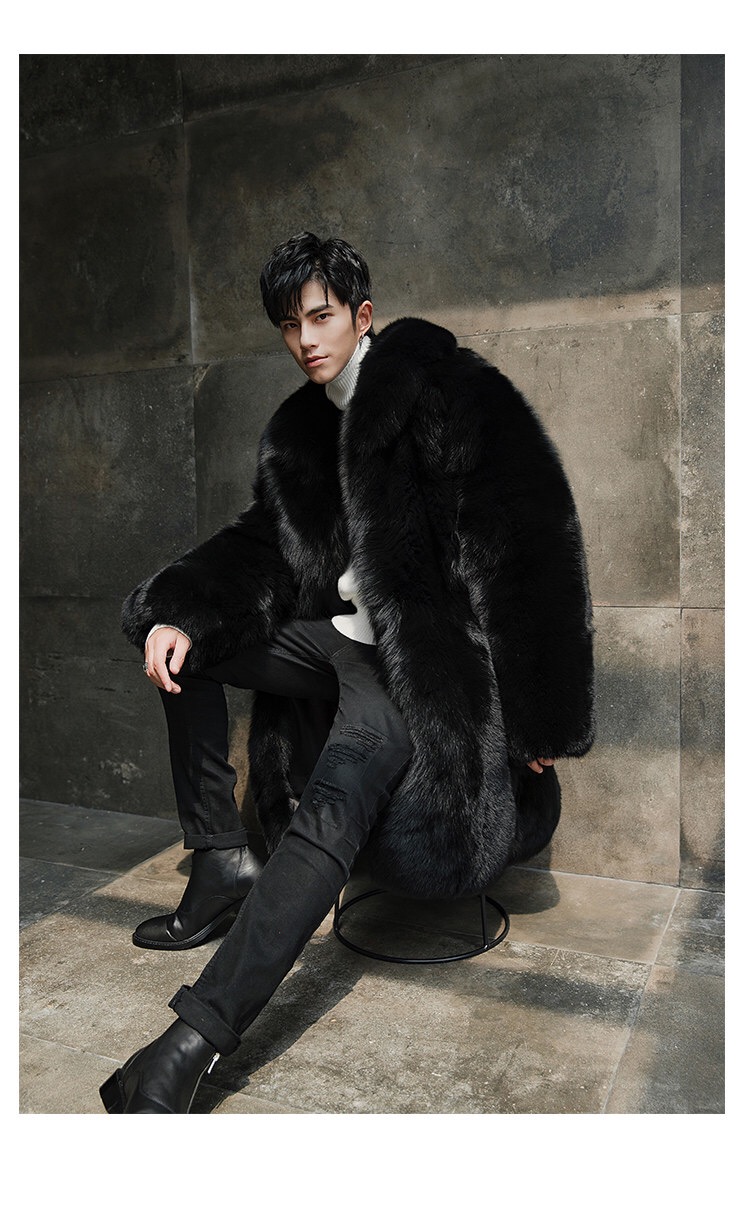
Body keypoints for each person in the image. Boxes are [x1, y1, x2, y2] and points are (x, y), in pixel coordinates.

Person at [101, 232, 594, 1114]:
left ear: (362, 316)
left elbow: (534, 543)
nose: (305, 340)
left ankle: (193, 1040)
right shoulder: (299, 428)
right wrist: (183, 610)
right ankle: (220, 861)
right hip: (330, 638)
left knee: (338, 794)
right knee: (184, 645)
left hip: (418, 667)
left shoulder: (450, 393)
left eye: (321, 317)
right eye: (290, 325)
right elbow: (266, 544)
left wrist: (540, 716)